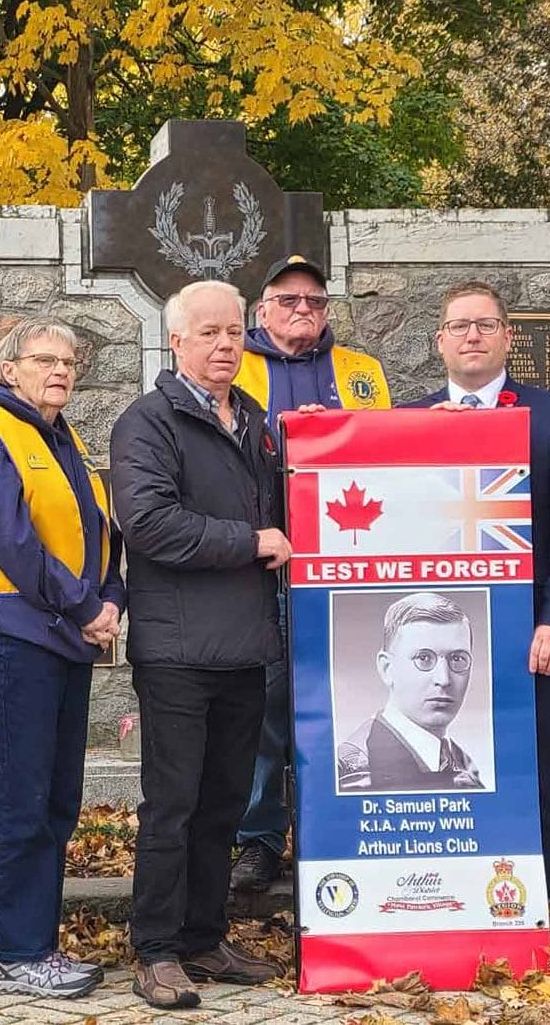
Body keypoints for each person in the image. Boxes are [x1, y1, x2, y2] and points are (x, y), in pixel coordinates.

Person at [110, 280, 288, 1009]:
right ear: (176, 340)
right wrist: (250, 541)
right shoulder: (147, 422)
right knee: (173, 806)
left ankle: (204, 936)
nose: (225, 345)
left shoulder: (254, 421)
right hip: (178, 652)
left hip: (245, 647)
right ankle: (155, 950)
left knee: (223, 804)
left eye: (235, 332)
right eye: (209, 332)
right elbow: (150, 525)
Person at [0, 319, 124, 998]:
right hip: (25, 635)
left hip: (67, 634)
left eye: (69, 362)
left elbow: (99, 531)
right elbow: (5, 537)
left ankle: (40, 944)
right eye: (45, 359)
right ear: (9, 369)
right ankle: (18, 954)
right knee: (26, 796)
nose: (60, 371)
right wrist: (82, 605)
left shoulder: (62, 438)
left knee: (58, 797)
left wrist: (111, 597)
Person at [408, 281, 550, 916]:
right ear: (440, 341)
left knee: (533, 771)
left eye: (486, 325)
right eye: (459, 326)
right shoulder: (409, 421)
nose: (472, 336)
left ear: (508, 338)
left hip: (528, 634)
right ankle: (457, 902)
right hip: (444, 637)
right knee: (443, 771)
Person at [231, 253, 392, 892]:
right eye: (289, 299)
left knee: (353, 701)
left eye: (315, 301)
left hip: (347, 570)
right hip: (266, 570)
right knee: (264, 711)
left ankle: (341, 829)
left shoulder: (361, 372)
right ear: (262, 309)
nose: (304, 309)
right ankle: (259, 838)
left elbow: (387, 455)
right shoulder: (235, 367)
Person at [336, 592, 484, 793]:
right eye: (423, 658)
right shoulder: (355, 773)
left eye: (457, 658)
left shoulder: (462, 762)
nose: (444, 679)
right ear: (387, 669)